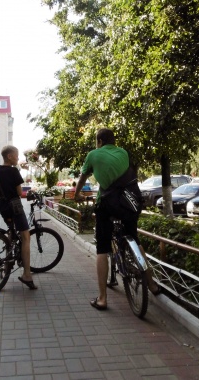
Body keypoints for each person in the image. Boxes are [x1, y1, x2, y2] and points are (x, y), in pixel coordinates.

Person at [74, 128, 160, 310]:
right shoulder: (123, 153)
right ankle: (152, 285)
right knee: (134, 239)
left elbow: (82, 178)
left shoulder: (93, 155)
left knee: (102, 249)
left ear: (99, 141)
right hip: (128, 204)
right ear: (113, 141)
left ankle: (102, 298)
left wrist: (77, 194)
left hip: (107, 205)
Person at [0, 145, 36, 290]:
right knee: (26, 236)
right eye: (16, 155)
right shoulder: (14, 171)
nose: (17, 157)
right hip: (15, 207)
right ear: (9, 156)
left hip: (3, 206)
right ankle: (27, 275)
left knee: (11, 230)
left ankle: (8, 257)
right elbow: (19, 192)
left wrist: (2, 192)